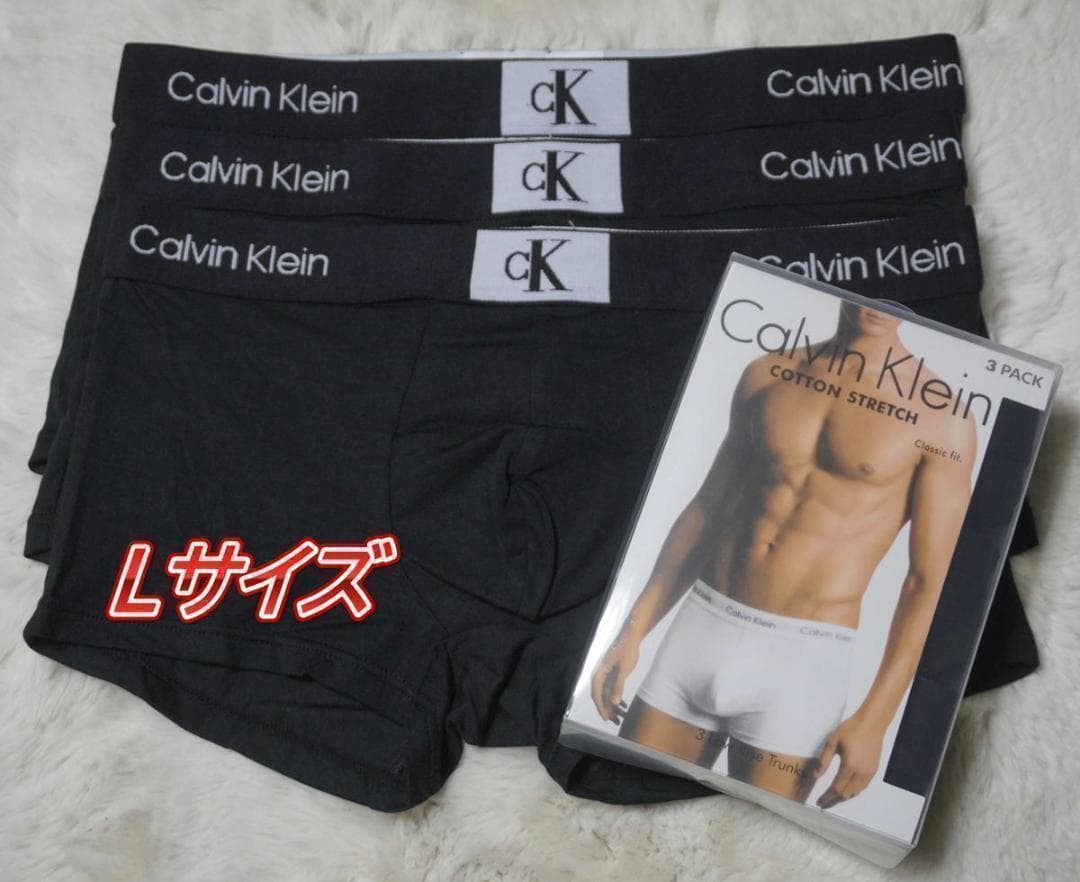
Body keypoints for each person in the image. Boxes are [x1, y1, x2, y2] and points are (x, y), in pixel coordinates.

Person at [590, 302, 976, 809]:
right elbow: (708, 508)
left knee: (758, 838)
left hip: (803, 663)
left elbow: (926, 582)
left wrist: (875, 720)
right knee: (629, 805)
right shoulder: (770, 371)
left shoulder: (942, 417)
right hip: (700, 630)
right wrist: (632, 629)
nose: (878, 309)